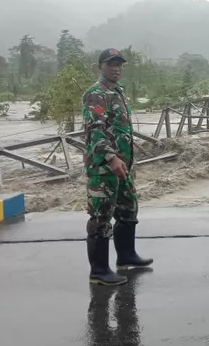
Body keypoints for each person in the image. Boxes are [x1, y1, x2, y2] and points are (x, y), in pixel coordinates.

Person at [83, 48, 153, 286]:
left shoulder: (117, 92)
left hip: (122, 165)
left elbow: (122, 130)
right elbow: (95, 131)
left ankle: (126, 256)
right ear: (100, 66)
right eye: (111, 64)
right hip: (104, 168)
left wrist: (125, 161)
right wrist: (111, 158)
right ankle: (99, 271)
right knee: (101, 216)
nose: (116, 68)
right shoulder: (96, 94)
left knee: (128, 207)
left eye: (119, 64)